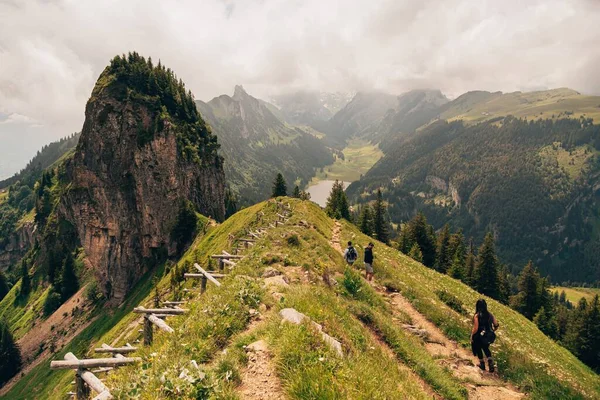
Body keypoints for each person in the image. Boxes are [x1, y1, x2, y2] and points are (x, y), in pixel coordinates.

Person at [471, 299, 499, 372]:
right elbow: (496, 324)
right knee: (486, 348)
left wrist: (472, 336)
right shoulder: (490, 315)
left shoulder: (477, 315)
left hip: (479, 336)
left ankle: (482, 364)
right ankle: (490, 363)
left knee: (478, 348)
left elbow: (476, 328)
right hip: (488, 336)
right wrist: (493, 330)